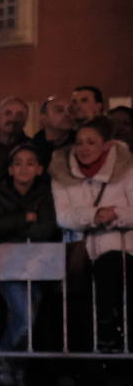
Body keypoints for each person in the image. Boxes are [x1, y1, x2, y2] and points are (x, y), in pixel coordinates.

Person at [50, 116, 132, 352]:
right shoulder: (62, 173)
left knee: (111, 269)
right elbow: (63, 216)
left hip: (122, 251)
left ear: (106, 145)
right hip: (79, 253)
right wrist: (94, 215)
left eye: (91, 142)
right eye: (79, 142)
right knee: (80, 310)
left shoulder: (128, 169)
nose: (84, 148)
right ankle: (89, 369)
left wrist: (114, 213)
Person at [0, 143, 59, 386]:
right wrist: (25, 219)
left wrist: (18, 228)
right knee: (24, 315)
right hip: (8, 262)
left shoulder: (45, 194)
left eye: (30, 163)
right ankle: (2, 360)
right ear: (10, 169)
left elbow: (46, 228)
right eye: (18, 163)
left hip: (37, 262)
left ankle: (17, 372)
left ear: (39, 169)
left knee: (28, 316)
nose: (24, 168)